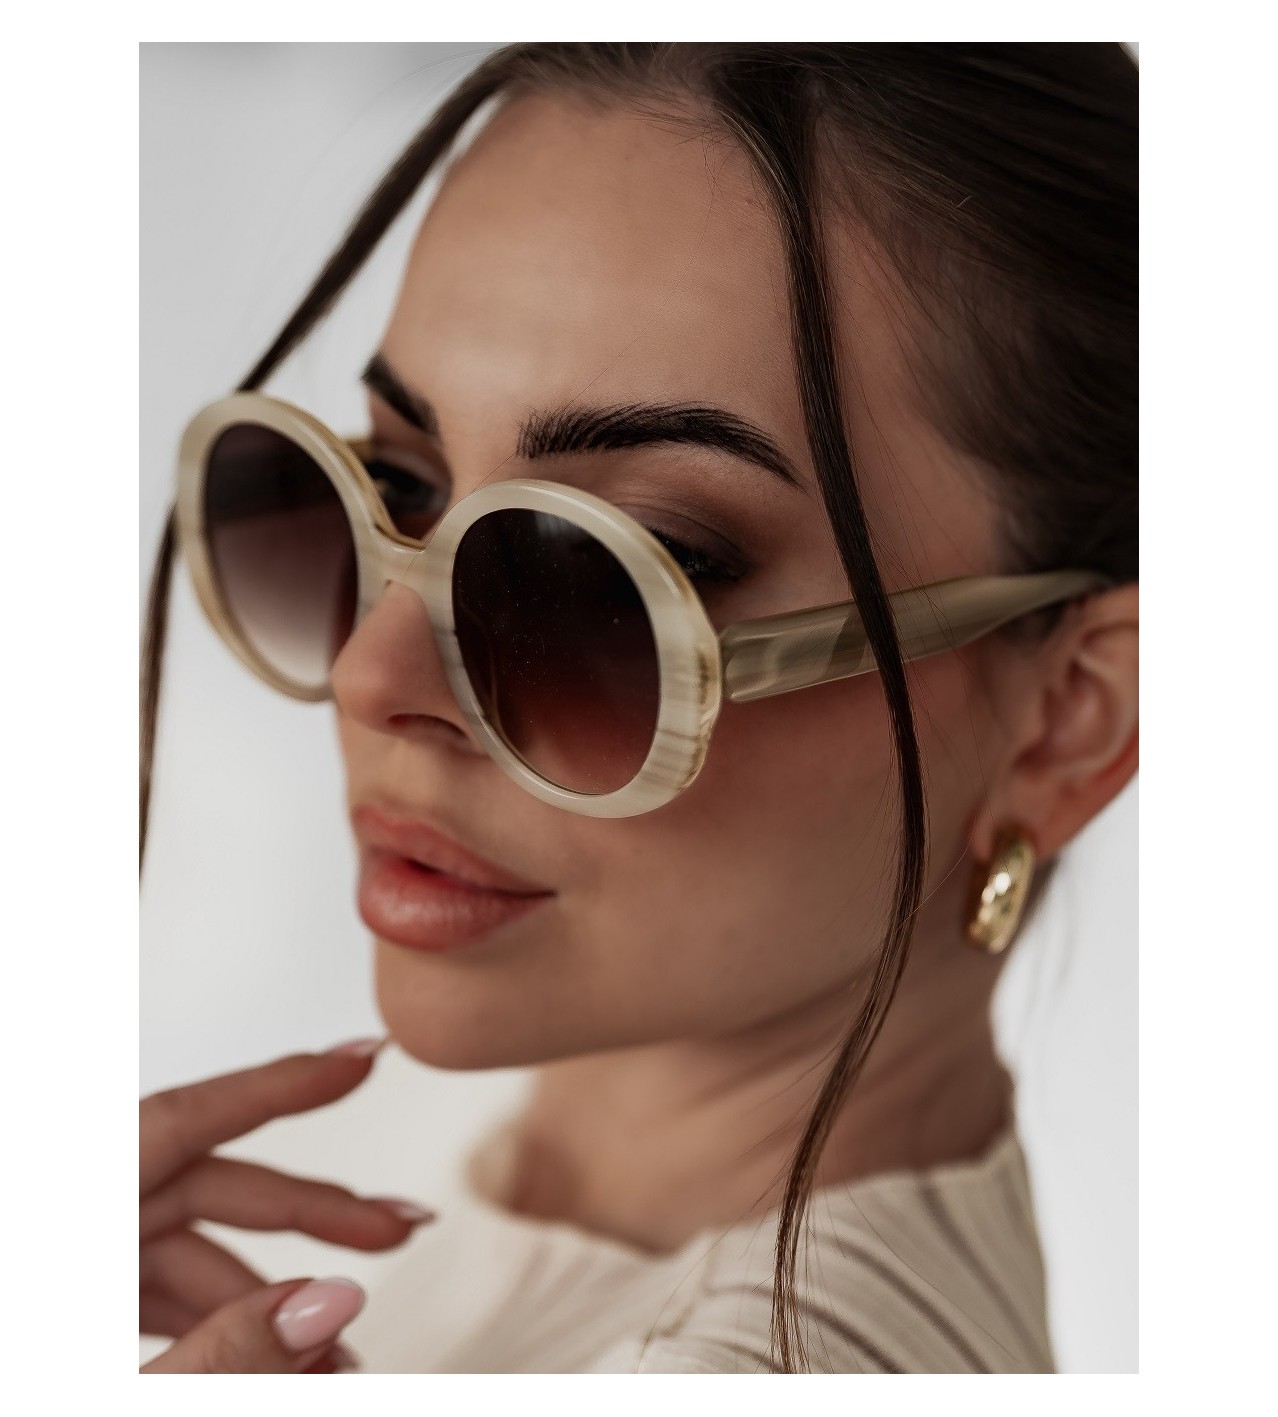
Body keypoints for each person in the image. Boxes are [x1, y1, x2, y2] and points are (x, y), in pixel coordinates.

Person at [139, 42, 1138, 1374]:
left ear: (1067, 717)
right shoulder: (422, 1157)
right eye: (399, 485)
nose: (376, 676)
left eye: (620, 565)